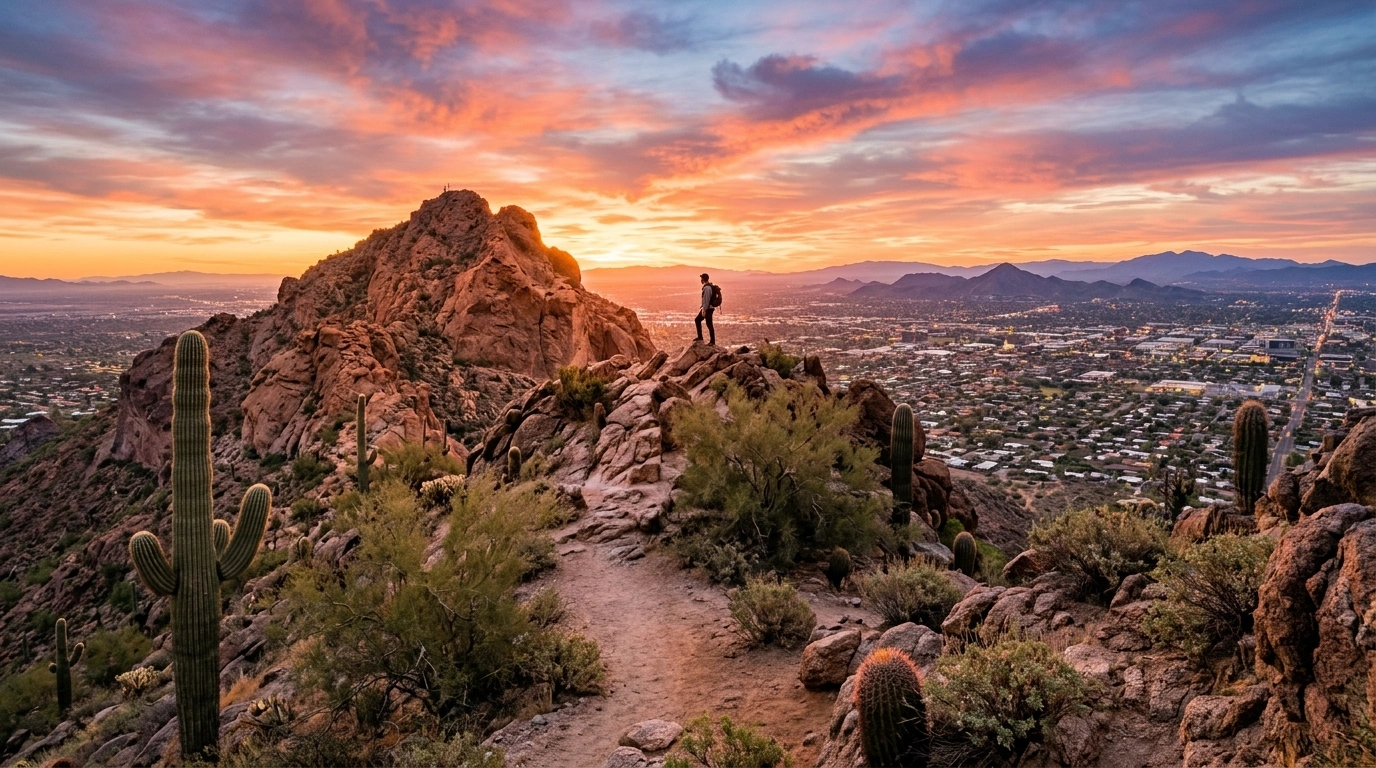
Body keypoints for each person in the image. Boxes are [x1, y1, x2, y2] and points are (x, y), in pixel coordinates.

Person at [695, 272, 716, 345]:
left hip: (708, 309)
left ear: (703, 279)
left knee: (709, 324)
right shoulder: (709, 286)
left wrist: (704, 310)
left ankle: (712, 341)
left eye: (701, 278)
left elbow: (706, 299)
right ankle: (700, 337)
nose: (700, 280)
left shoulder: (707, 288)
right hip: (708, 308)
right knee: (698, 320)